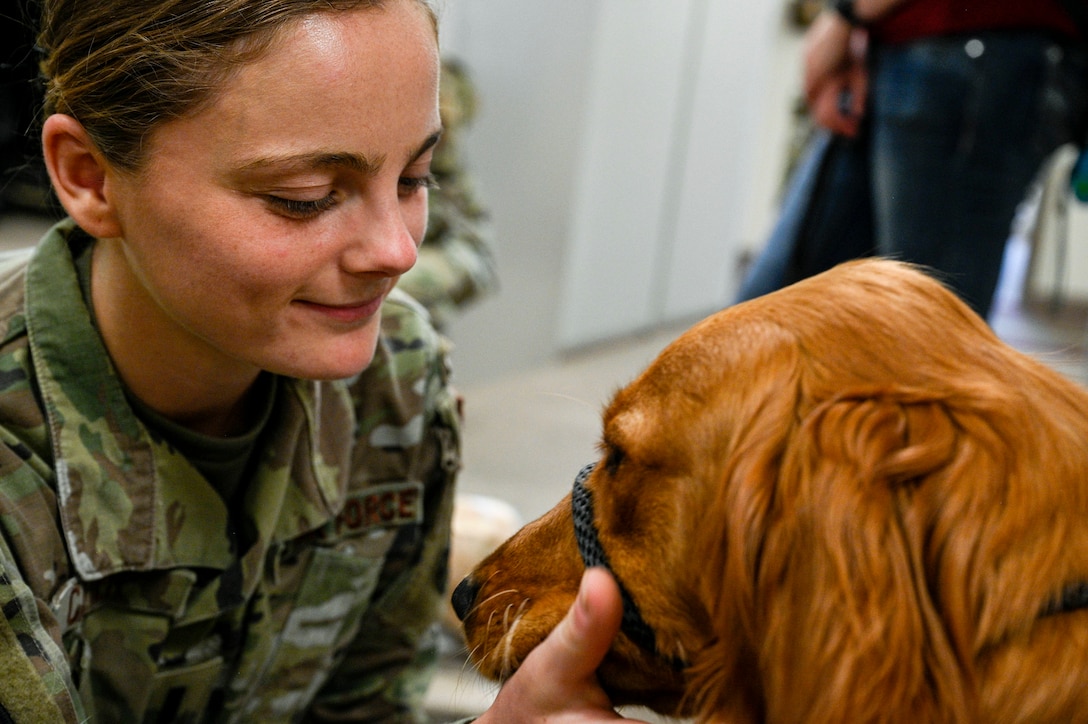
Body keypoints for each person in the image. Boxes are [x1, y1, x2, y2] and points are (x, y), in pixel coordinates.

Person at [0, 0, 632, 721]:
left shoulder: (393, 378)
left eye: (414, 179)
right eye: (304, 198)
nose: (397, 251)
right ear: (90, 177)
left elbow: (366, 704)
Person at [738, 0, 1088, 320]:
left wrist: (846, 14)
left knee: (925, 345)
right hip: (910, 46)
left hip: (969, 52)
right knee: (767, 318)